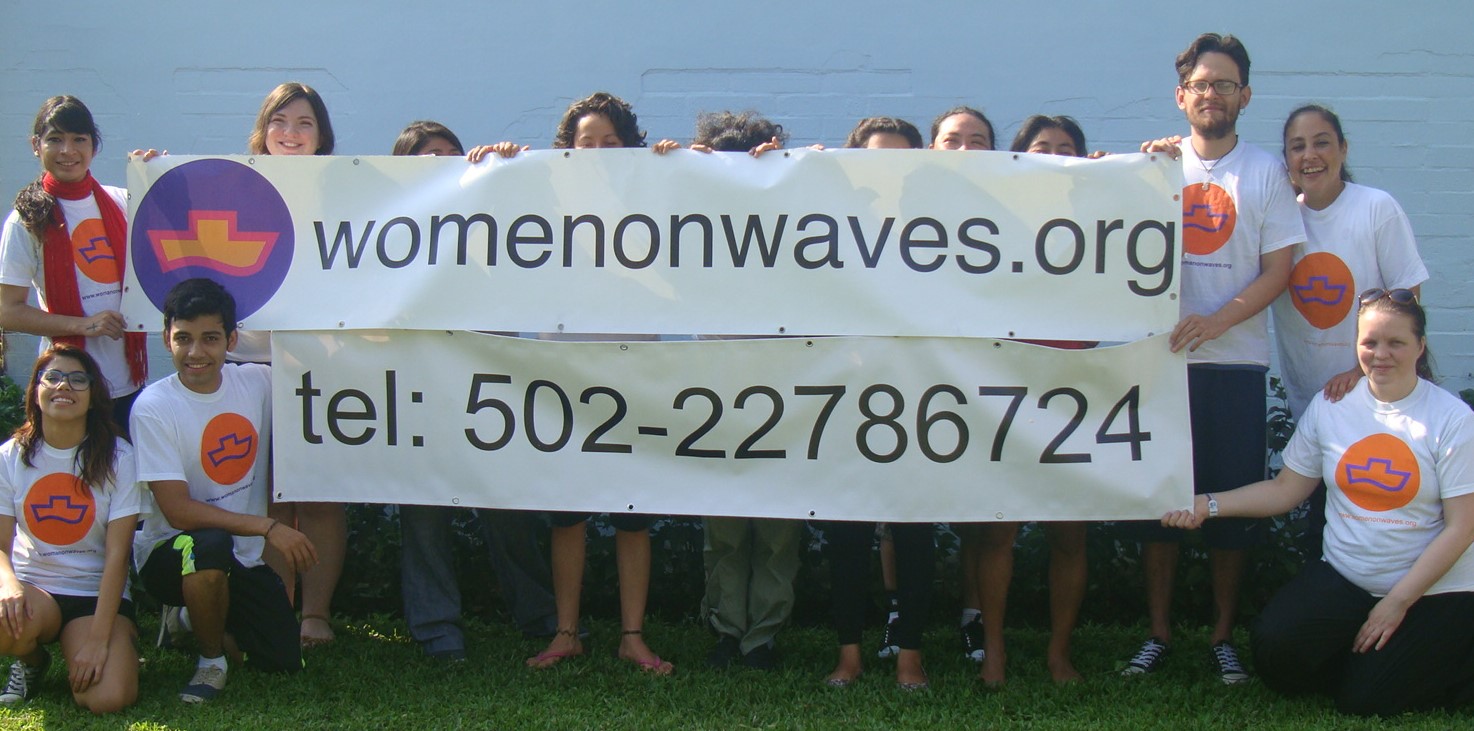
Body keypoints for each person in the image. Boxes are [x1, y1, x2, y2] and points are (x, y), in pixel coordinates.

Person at [1162, 289, 1474, 716]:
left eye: (1396, 343)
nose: (1381, 354)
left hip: (1432, 591)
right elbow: (1285, 489)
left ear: (1420, 346)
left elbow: (1462, 527)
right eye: (1370, 342)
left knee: (1365, 701)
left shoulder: (1452, 420)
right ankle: (1379, 660)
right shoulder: (1333, 407)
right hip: (1348, 578)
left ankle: (1448, 654)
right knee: (1276, 653)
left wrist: (1397, 602)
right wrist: (1206, 504)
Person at [1127, 32, 1303, 685]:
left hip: (1235, 365)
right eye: (1201, 84)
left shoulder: (1266, 173)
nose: (1212, 94)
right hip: (1161, 363)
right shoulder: (1157, 165)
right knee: (1160, 503)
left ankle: (1222, 636)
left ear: (1244, 96)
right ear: (1182, 95)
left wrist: (1215, 322)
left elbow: (1279, 269)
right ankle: (1157, 633)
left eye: (1224, 84)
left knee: (1228, 507)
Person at [389, 121, 559, 658]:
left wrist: (508, 168)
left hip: (489, 394)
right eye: (428, 155)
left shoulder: (491, 220)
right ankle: (437, 630)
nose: (443, 160)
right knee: (424, 516)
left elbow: (544, 224)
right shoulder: (389, 232)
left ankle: (541, 618)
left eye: (451, 153)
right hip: (418, 394)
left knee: (508, 510)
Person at [523, 92, 674, 675]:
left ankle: (632, 636)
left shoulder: (653, 194)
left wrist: (682, 163)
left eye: (612, 142)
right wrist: (497, 161)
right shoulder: (544, 197)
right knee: (569, 514)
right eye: (587, 142)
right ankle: (567, 633)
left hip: (634, 371)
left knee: (632, 516)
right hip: (564, 372)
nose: (599, 151)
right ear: (567, 148)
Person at [959, 116, 1097, 686]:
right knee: (998, 532)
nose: (1055, 155)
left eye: (1067, 149)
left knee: (1069, 535)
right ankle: (994, 649)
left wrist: (1134, 175)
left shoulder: (1100, 215)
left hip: (1071, 391)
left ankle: (1058, 651)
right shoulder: (991, 220)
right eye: (1043, 147)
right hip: (1004, 391)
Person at [132, 278, 317, 702]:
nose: (196, 352)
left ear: (231, 340)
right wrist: (269, 527)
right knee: (209, 544)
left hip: (241, 556)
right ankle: (211, 660)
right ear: (166, 339)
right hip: (169, 552)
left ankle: (188, 619)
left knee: (283, 661)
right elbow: (178, 511)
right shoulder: (153, 407)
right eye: (183, 338)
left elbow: (321, 386)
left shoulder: (257, 382)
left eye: (210, 339)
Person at [1273, 104, 1429, 559]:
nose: (1310, 155)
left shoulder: (1376, 208)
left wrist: (1361, 373)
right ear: (1286, 161)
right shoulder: (1279, 219)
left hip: (1376, 401)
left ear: (1343, 149)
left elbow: (1407, 302)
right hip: (1313, 407)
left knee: (1381, 525)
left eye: (1322, 142)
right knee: (1321, 530)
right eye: (1297, 147)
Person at [684, 110, 805, 672]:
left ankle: (764, 638)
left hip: (787, 390)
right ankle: (727, 631)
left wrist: (794, 168)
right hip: (716, 390)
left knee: (779, 529)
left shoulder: (798, 212)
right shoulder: (694, 216)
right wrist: (679, 166)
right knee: (725, 526)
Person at [816, 116, 935, 691]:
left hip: (921, 395)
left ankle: (911, 657)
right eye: (874, 156)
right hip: (844, 396)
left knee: (913, 533)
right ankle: (849, 657)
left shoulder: (944, 225)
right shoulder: (827, 222)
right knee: (847, 535)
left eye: (900, 157)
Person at [239, 82, 344, 648]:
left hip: (320, 364)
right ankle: (278, 611)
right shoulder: (235, 187)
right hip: (249, 361)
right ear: (263, 130)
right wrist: (155, 171)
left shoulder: (343, 192)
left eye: (305, 123)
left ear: (321, 136)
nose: (291, 133)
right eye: (280, 121)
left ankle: (315, 615)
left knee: (319, 493)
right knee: (271, 496)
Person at [0, 345, 139, 713]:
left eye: (78, 379)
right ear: (36, 390)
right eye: (53, 377)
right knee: (2, 616)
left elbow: (118, 555)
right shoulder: (11, 456)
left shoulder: (119, 457)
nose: (64, 386)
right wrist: (8, 586)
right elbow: (0, 544)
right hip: (35, 588)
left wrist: (97, 641)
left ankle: (104, 642)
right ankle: (32, 661)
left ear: (93, 397)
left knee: (107, 699)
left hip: (94, 595)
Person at [0, 96, 147, 433]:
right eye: (55, 139)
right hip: (65, 383)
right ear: (36, 145)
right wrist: (83, 326)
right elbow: (7, 311)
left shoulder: (121, 201)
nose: (67, 150)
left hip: (127, 379)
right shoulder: (26, 220)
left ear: (94, 146)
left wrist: (155, 174)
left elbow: (177, 234)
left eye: (79, 139)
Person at [928, 104, 995, 665]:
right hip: (914, 373)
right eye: (953, 139)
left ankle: (974, 617)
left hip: (987, 377)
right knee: (901, 508)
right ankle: (901, 615)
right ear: (933, 148)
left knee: (979, 507)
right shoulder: (905, 203)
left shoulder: (1015, 210)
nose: (965, 149)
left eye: (978, 140)